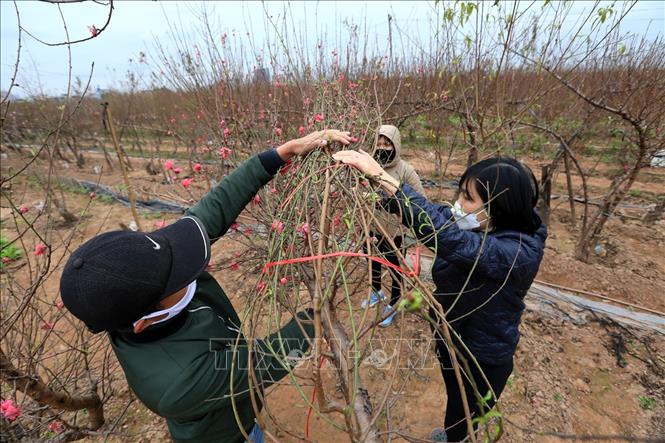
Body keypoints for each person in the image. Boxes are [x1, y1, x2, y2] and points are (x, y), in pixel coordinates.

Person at [60, 130, 352, 443]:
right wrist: (318, 315)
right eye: (176, 275)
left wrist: (277, 156)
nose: (187, 266)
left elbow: (209, 212)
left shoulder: (136, 291)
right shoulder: (179, 382)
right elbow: (265, 360)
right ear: (145, 321)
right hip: (226, 435)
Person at [333, 150, 547, 442]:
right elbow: (438, 216)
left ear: (499, 208)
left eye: (468, 198)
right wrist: (380, 198)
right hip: (453, 339)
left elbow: (444, 235)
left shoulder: (515, 254)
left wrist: (382, 177)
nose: (458, 204)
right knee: (455, 406)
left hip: (481, 358)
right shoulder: (486, 224)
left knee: (463, 419)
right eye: (460, 193)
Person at [361, 124, 424, 327]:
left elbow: (420, 199)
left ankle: (394, 304)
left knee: (396, 268)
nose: (382, 148)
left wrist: (396, 204)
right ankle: (376, 292)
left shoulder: (405, 170)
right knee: (373, 262)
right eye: (378, 143)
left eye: (387, 144)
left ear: (395, 145)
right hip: (371, 227)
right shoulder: (369, 166)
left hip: (395, 231)